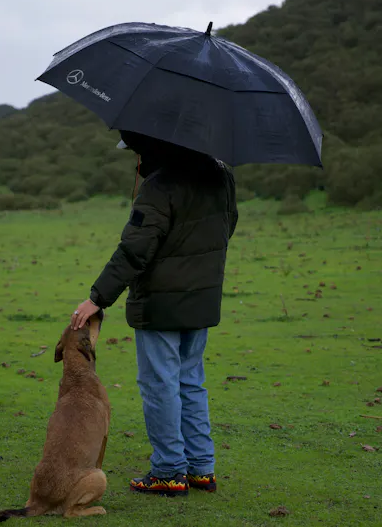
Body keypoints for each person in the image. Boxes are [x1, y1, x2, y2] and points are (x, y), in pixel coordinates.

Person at [70, 130, 238, 497]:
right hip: (203, 299)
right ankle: (200, 469)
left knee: (160, 384)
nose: (136, 159)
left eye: (137, 151)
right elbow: (228, 228)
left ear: (153, 148)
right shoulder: (221, 174)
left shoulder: (161, 185)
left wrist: (97, 297)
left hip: (161, 303)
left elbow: (135, 249)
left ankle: (168, 471)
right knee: (190, 381)